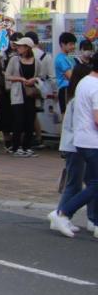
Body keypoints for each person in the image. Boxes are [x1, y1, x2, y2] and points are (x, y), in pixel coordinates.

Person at [48, 63, 98, 238]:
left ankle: (90, 219)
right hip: (85, 143)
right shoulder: (91, 89)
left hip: (79, 143)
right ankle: (63, 213)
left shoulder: (81, 87)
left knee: (90, 182)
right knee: (83, 184)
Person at [6, 37, 43, 157]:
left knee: (29, 120)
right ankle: (16, 147)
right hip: (18, 93)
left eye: (21, 46)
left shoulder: (36, 61)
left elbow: (41, 76)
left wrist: (34, 79)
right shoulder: (14, 60)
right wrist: (20, 79)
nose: (18, 48)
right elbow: (7, 75)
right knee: (18, 120)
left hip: (31, 94)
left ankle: (27, 146)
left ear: (27, 47)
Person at [55, 32, 78, 114]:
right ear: (62, 44)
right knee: (66, 119)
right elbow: (71, 76)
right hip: (65, 90)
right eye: (71, 44)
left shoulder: (69, 58)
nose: (73, 47)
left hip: (71, 90)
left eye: (74, 44)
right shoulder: (61, 59)